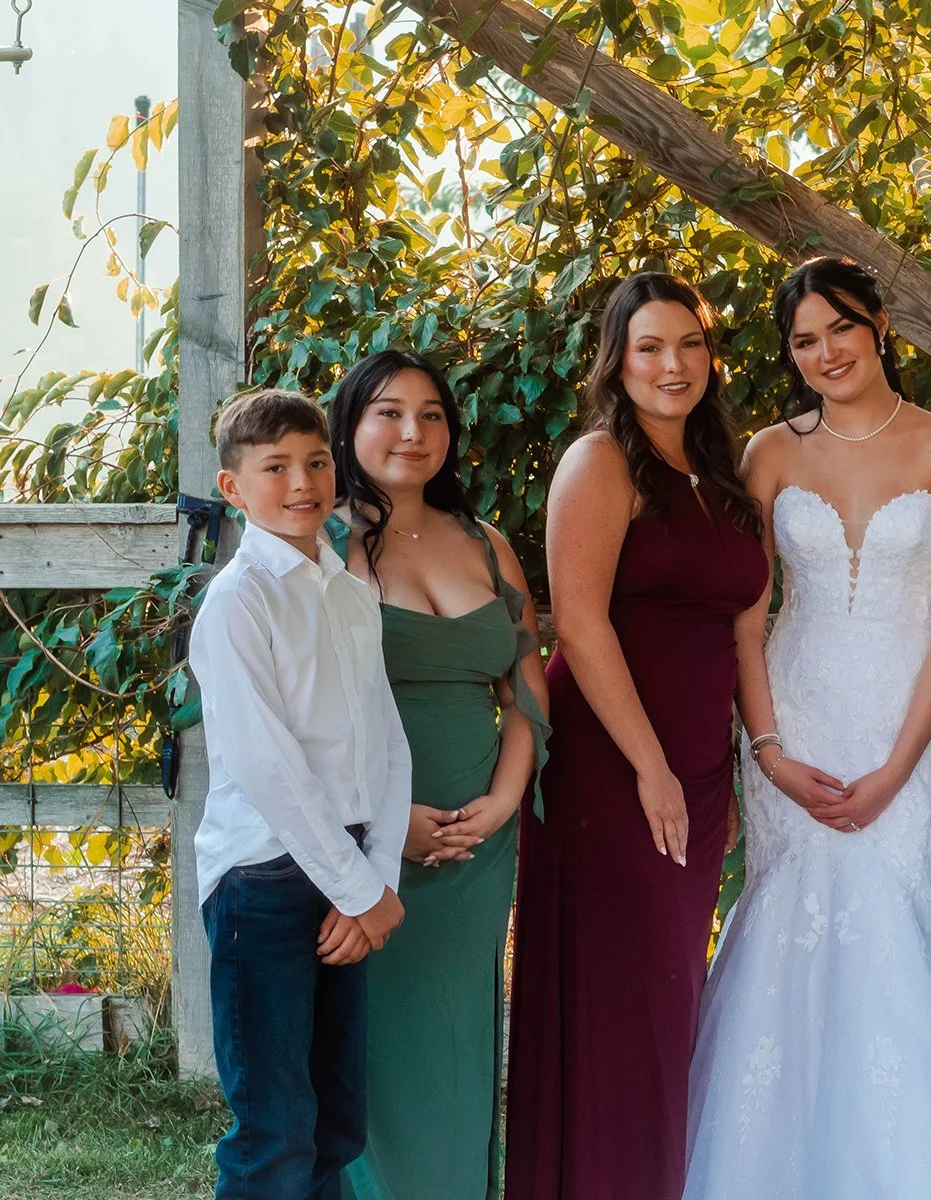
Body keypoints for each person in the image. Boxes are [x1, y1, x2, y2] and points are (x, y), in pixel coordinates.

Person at [684, 255, 931, 1199]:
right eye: (804, 341)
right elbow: (746, 619)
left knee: (898, 913)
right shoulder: (770, 452)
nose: (826, 353)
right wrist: (767, 750)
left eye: (840, 328)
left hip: (911, 719)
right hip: (794, 714)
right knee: (788, 917)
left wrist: (900, 768)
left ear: (879, 324)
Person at [504, 272, 769, 1200]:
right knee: (625, 1002)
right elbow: (578, 624)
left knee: (669, 995)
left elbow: (737, 634)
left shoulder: (720, 474)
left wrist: (725, 768)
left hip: (694, 765)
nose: (673, 365)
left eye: (690, 344)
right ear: (617, 362)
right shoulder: (600, 462)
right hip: (610, 764)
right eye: (650, 347)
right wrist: (653, 769)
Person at [323, 350, 550, 1200]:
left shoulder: (487, 545)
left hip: (477, 850)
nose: (412, 432)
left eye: (431, 415)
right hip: (363, 845)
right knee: (376, 1053)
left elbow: (526, 692)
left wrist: (502, 802)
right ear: (349, 426)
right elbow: (298, 711)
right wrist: (389, 822)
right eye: (388, 412)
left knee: (457, 1050)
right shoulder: (318, 543)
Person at [189, 387, 410, 1200]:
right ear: (233, 488)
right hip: (264, 881)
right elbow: (266, 765)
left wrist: (376, 878)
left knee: (335, 1120)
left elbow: (386, 741)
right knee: (275, 1127)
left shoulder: (349, 592)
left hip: (345, 868)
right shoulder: (238, 601)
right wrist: (357, 889)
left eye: (317, 463)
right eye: (275, 467)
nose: (301, 483)